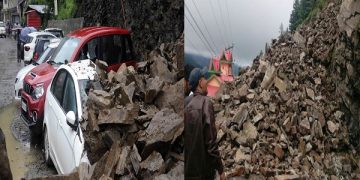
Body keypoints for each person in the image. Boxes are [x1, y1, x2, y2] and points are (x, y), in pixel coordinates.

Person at [184, 68, 225, 180]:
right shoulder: (205, 102)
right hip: (203, 173)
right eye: (204, 79)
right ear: (200, 83)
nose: (207, 82)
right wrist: (221, 170)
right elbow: (211, 143)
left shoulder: (185, 103)